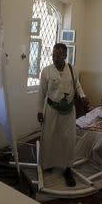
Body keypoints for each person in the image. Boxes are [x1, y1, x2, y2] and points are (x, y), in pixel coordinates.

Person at [37, 43, 89, 187]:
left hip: (68, 111)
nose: (54, 58)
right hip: (51, 110)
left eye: (58, 55)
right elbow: (41, 93)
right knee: (50, 137)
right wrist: (39, 111)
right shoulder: (46, 71)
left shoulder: (72, 70)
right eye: (53, 55)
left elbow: (77, 85)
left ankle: (67, 168)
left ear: (65, 56)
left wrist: (83, 96)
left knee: (68, 139)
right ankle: (48, 163)